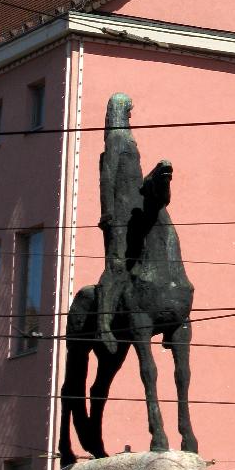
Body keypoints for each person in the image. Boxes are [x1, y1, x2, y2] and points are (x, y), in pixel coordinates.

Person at [96, 93, 148, 353]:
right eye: (127, 110)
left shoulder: (128, 138)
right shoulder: (117, 138)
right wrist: (108, 213)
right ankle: (104, 320)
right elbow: (108, 176)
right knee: (116, 263)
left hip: (134, 210)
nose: (129, 115)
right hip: (118, 214)